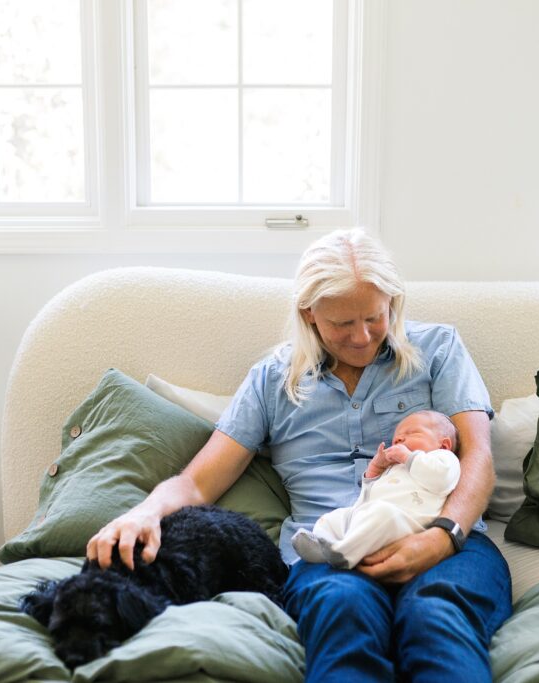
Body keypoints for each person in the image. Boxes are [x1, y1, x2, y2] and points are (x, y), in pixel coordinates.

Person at [87, 229, 512, 682]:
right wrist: (145, 513)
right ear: (309, 314)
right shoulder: (272, 380)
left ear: (393, 301)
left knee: (434, 616)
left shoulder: (440, 350)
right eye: (341, 324)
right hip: (329, 552)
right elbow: (197, 482)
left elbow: (478, 459)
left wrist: (442, 536)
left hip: (451, 542)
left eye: (374, 317)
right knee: (342, 611)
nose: (362, 337)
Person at [292, 409, 460, 570]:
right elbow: (370, 496)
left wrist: (408, 457)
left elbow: (441, 479)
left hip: (407, 524)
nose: (400, 439)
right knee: (337, 516)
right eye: (396, 438)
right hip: (372, 518)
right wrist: (374, 471)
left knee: (382, 513)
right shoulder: (396, 467)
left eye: (413, 433)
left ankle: (344, 553)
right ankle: (322, 543)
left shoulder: (443, 458)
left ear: (444, 444)